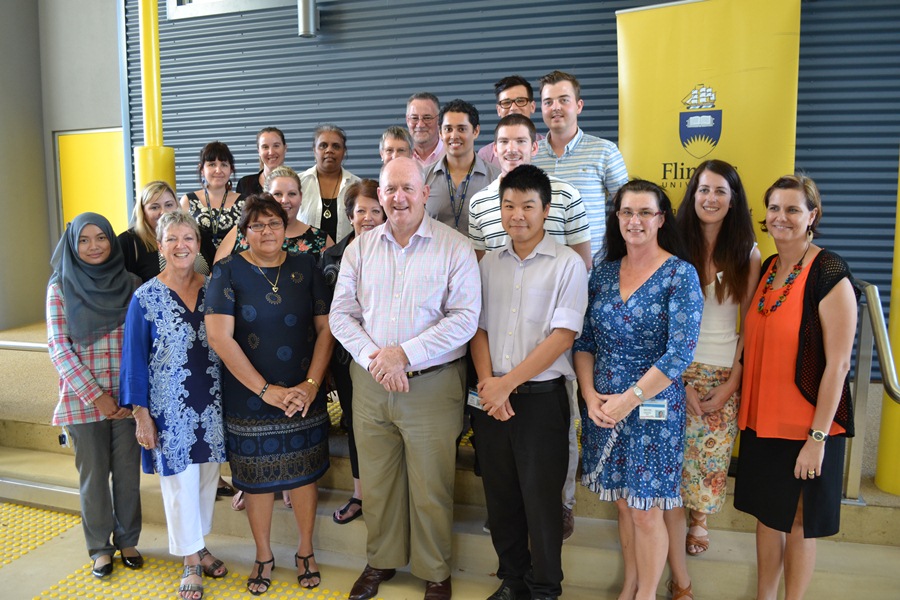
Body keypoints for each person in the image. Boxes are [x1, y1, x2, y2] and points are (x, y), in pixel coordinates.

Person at [330, 157, 481, 600]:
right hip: (371, 383)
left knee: (432, 484)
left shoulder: (455, 247)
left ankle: (435, 571)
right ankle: (381, 560)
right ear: (380, 195)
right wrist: (377, 357)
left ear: (424, 193)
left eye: (408, 189)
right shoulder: (360, 248)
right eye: (390, 189)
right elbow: (342, 315)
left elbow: (465, 319)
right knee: (377, 481)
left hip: (431, 383)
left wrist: (404, 355)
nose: (398, 198)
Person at [574, 180, 702, 600]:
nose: (635, 221)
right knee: (625, 505)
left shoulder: (680, 274)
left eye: (646, 212)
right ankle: (630, 583)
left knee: (647, 511)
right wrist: (591, 396)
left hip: (653, 411)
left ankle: (646, 593)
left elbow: (679, 353)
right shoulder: (604, 272)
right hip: (604, 408)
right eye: (627, 212)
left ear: (661, 219)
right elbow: (585, 342)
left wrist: (630, 400)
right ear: (617, 218)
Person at [735, 174, 857, 600]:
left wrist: (817, 439)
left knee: (802, 521)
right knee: (768, 518)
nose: (781, 217)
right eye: (774, 208)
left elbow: (839, 364)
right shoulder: (769, 269)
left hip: (809, 425)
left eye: (792, 209)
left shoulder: (830, 271)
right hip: (763, 420)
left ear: (812, 217)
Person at [206, 195, 334, 594]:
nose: (266, 232)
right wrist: (266, 390)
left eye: (273, 224)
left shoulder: (306, 267)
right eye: (257, 225)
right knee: (257, 481)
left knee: (303, 474)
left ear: (286, 227)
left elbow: (326, 329)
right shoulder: (226, 272)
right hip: (249, 397)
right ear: (243, 232)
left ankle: (306, 551)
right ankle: (263, 554)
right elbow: (219, 337)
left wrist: (309, 386)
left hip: (302, 394)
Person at [470, 165, 588, 600]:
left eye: (527, 206)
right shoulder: (488, 265)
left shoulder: (568, 264)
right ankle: (512, 580)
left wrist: (506, 385)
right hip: (490, 398)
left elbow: (563, 336)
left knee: (541, 502)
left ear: (545, 209)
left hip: (540, 401)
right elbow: (477, 327)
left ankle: (544, 588)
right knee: (501, 499)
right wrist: (488, 383)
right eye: (508, 206)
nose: (516, 215)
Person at [662, 160, 760, 599]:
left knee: (709, 458)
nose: (710, 198)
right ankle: (674, 520)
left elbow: (752, 324)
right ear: (692, 193)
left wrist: (733, 382)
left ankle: (699, 519)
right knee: (673, 452)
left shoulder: (748, 252)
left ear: (733, 199)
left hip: (723, 369)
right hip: (674, 368)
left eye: (720, 191)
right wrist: (676, 378)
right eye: (703, 189)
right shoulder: (673, 243)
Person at [119, 210, 228, 600]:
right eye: (173, 239)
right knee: (179, 485)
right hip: (168, 411)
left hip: (212, 403)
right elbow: (133, 361)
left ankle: (198, 545)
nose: (181, 245)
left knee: (205, 481)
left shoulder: (215, 287)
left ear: (198, 245)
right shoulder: (144, 298)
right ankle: (190, 562)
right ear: (161, 246)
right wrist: (141, 416)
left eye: (189, 238)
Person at [46, 212, 143, 579]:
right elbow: (58, 348)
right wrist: (97, 396)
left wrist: (133, 395)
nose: (93, 246)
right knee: (93, 478)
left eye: (100, 238)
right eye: (84, 240)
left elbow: (141, 344)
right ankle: (100, 548)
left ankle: (128, 539)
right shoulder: (60, 287)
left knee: (128, 475)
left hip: (127, 400)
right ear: (72, 245)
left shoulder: (132, 284)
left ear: (111, 240)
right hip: (82, 400)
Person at [320, 179, 386, 526]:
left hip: (389, 359)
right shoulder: (331, 257)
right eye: (362, 211)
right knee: (356, 426)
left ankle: (387, 496)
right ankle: (360, 494)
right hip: (346, 361)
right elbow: (324, 318)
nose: (369, 218)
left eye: (377, 211)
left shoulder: (395, 250)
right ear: (350, 215)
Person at [469, 114, 591, 268]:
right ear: (495, 149)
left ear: (534, 148)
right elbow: (479, 267)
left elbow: (582, 263)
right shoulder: (478, 203)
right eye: (504, 142)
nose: (511, 149)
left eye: (521, 141)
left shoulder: (565, 194)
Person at [532, 70, 629, 258]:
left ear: (579, 106)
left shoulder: (604, 151)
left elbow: (627, 208)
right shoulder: (531, 156)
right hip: (539, 269)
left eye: (564, 100)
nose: (555, 107)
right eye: (548, 102)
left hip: (591, 271)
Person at [216, 166, 334, 264]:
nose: (285, 200)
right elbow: (216, 276)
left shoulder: (321, 240)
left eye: (292, 194)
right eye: (277, 194)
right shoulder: (241, 231)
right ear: (266, 196)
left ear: (301, 197)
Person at [425, 99, 500, 235]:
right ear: (440, 133)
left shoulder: (496, 178)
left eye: (461, 129)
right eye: (448, 129)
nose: (454, 136)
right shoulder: (424, 177)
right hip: (435, 255)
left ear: (476, 131)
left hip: (481, 256)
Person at [119, 181, 217, 284]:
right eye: (155, 207)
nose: (163, 212)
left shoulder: (197, 233)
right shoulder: (128, 243)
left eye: (169, 205)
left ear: (177, 206)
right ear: (143, 211)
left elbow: (216, 269)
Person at [299, 124, 360, 243]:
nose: (329, 150)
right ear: (314, 150)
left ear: (344, 152)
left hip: (346, 258)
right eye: (323, 145)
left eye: (336, 146)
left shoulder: (357, 186)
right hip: (304, 259)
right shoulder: (297, 183)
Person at [180, 141, 244, 252]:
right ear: (202, 170)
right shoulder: (188, 201)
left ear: (231, 169)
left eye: (224, 164)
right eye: (212, 164)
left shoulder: (245, 202)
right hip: (197, 266)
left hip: (234, 266)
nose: (218, 170)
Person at [477, 75, 546, 169]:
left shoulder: (548, 148)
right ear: (498, 110)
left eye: (521, 101)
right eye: (506, 103)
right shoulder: (486, 156)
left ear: (532, 107)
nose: (513, 108)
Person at [236, 127, 288, 196]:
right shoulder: (245, 184)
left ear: (285, 148)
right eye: (265, 147)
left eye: (276, 146)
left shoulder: (297, 183)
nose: (271, 152)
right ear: (259, 151)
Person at [406, 92, 444, 167]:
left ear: (439, 120)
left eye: (427, 118)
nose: (420, 125)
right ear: (407, 120)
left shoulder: (454, 155)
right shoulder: (400, 157)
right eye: (414, 118)